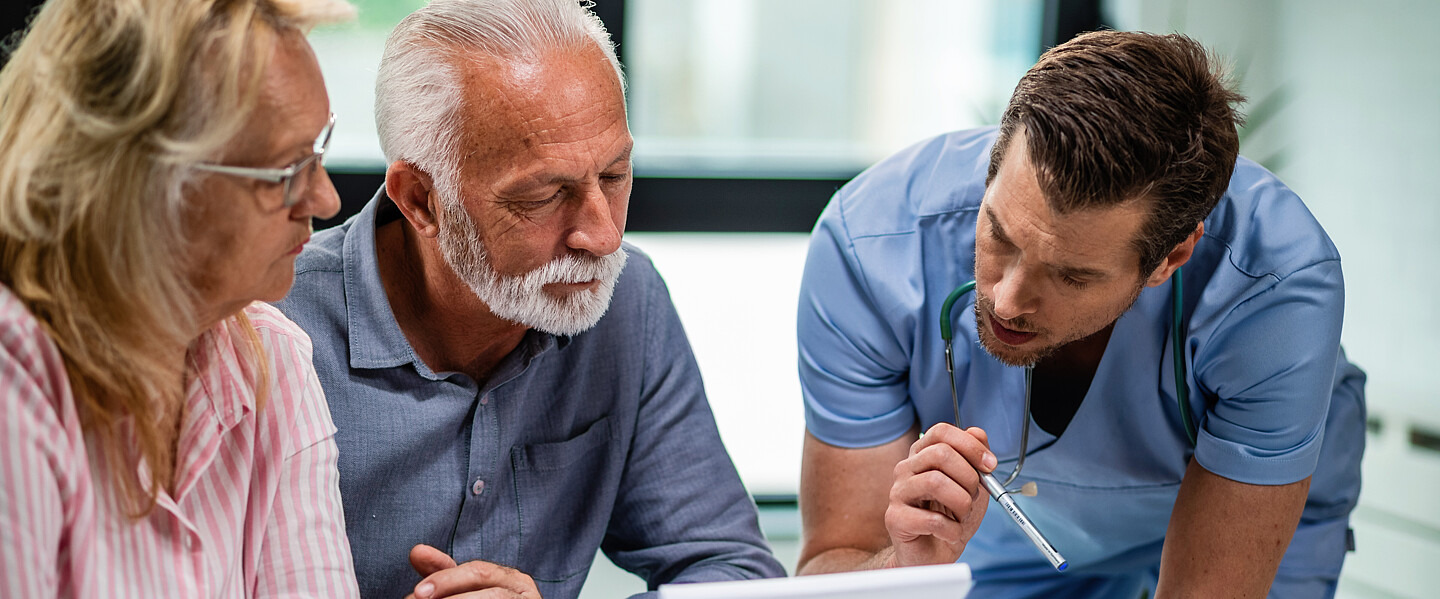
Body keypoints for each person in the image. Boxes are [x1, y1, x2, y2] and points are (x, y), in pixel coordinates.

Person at [795, 30, 1366, 598]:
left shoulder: (1275, 288)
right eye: (1000, 234)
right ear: (992, 171)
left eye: (1072, 275)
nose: (1007, 300)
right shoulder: (867, 244)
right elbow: (830, 570)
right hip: (1026, 535)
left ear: (1171, 257)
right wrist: (906, 565)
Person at [273, 1, 785, 597]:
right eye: (545, 195)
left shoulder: (624, 301)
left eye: (615, 176)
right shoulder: (270, 330)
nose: (603, 236)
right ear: (421, 200)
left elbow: (733, 575)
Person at [0, 0, 360, 597]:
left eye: (319, 148)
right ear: (137, 181)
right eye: (287, 169)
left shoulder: (274, 362)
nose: (325, 200)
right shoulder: (18, 372)